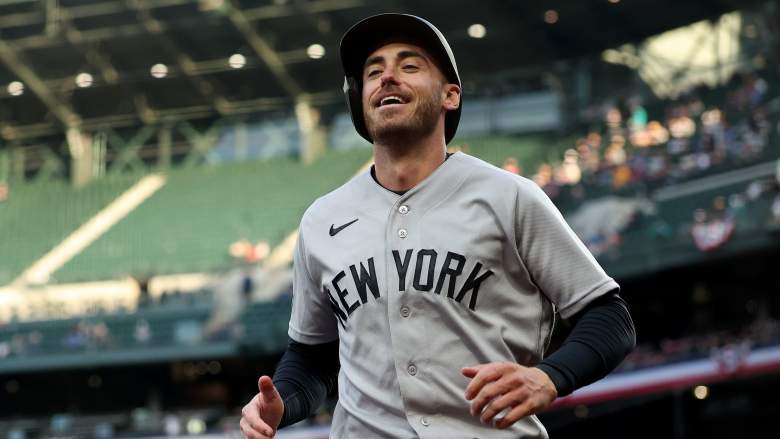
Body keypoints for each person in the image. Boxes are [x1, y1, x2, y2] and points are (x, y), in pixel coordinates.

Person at [240, 13, 635, 439]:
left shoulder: (509, 196)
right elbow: (312, 359)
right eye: (373, 72)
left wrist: (550, 377)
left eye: (409, 66)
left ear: (450, 95)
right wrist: (280, 401)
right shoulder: (322, 219)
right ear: (361, 101)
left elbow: (610, 318)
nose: (387, 77)